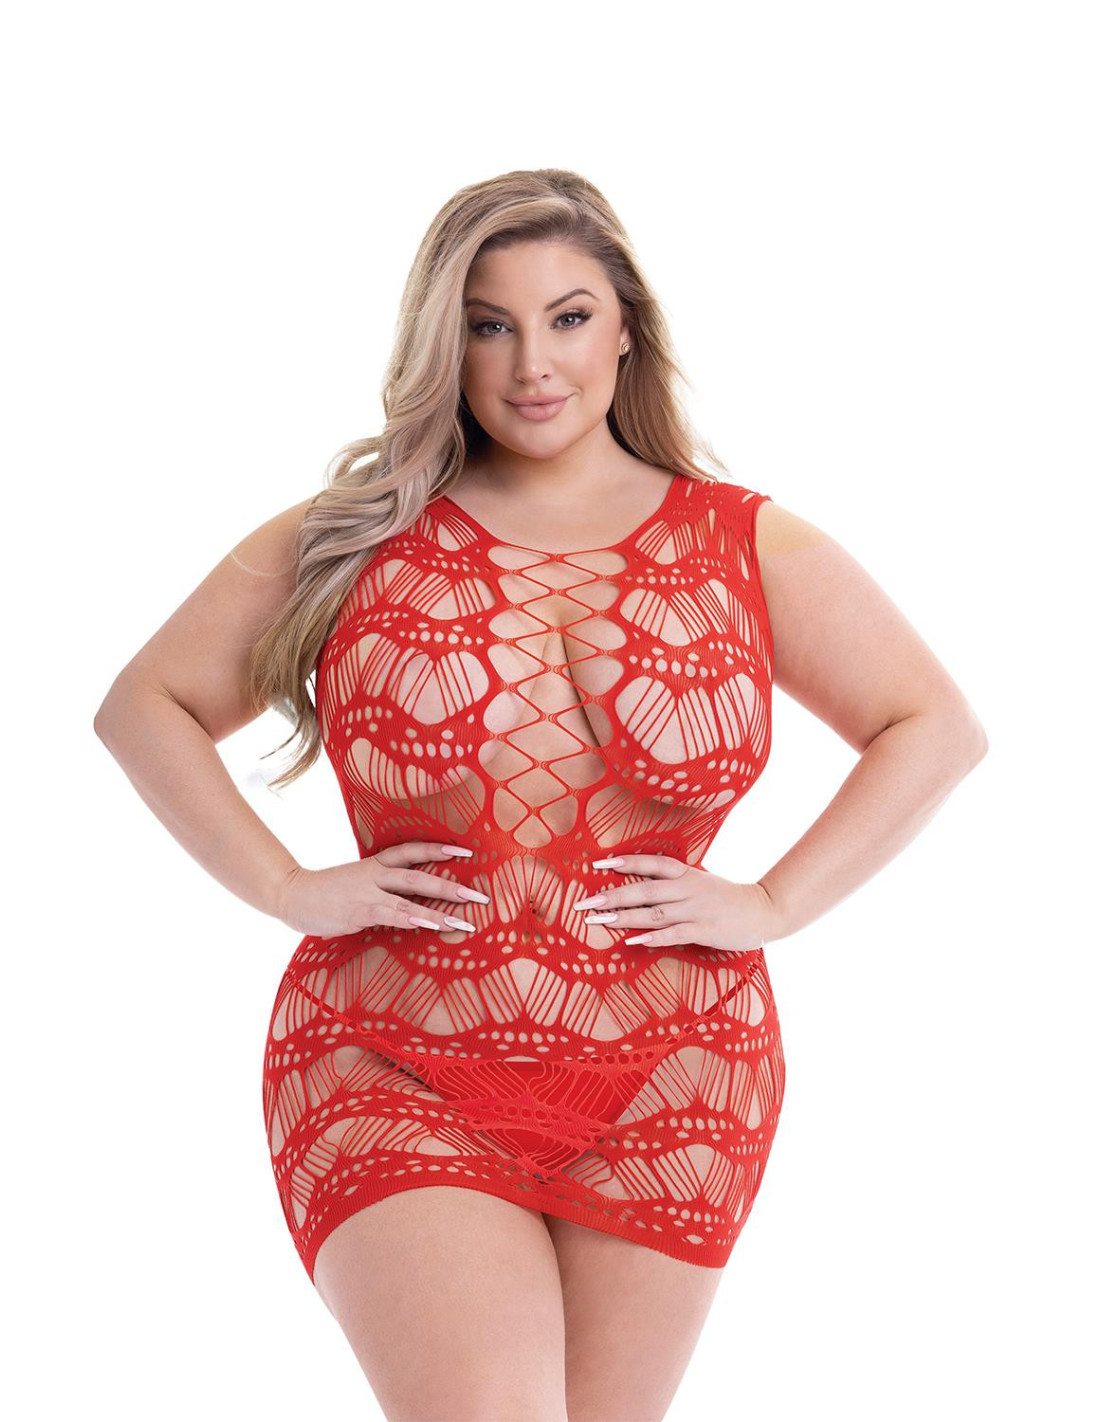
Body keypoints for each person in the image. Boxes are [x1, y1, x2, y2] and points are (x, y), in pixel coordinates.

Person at [93, 168, 988, 1421]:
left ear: (625, 328)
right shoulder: (355, 535)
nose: (530, 364)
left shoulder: (744, 542)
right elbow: (144, 704)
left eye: (567, 317)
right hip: (389, 1057)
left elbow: (931, 726)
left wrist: (774, 903)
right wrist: (285, 884)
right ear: (443, 343)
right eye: (487, 324)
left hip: (678, 1073)